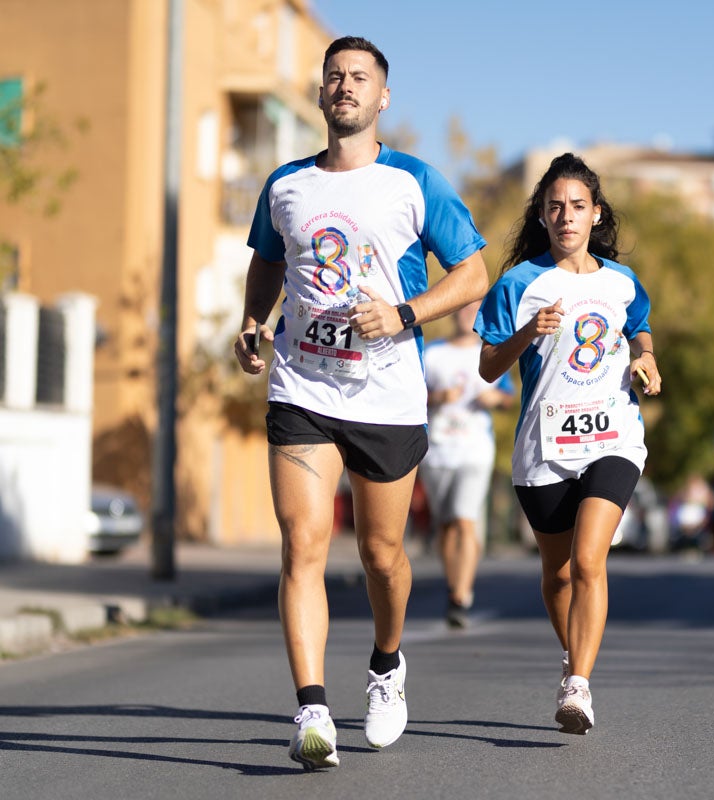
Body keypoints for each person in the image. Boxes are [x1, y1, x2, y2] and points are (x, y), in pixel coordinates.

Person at [233, 36, 489, 770]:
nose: (344, 86)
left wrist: (408, 313)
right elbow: (267, 264)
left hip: (387, 393)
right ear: (319, 95)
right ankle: (311, 708)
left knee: (382, 555)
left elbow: (471, 274)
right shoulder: (285, 185)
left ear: (382, 98)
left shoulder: (413, 181)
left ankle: (385, 665)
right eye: (334, 76)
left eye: (359, 78)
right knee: (303, 545)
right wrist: (254, 323)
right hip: (302, 389)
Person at [475, 152, 661, 736]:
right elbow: (487, 366)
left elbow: (639, 325)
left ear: (595, 213)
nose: (566, 216)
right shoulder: (519, 284)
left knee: (588, 561)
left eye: (577, 206)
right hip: (543, 446)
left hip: (613, 436)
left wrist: (646, 358)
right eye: (554, 206)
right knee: (557, 576)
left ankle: (577, 685)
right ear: (542, 216)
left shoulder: (620, 281)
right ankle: (573, 654)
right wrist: (530, 331)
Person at [419, 300, 515, 628]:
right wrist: (437, 398)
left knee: (465, 520)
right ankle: (452, 586)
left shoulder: (490, 353)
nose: (466, 316)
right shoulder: (431, 353)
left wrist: (495, 399)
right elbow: (410, 393)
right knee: (445, 525)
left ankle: (461, 595)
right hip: (436, 449)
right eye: (462, 309)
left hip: (475, 449)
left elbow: (509, 396)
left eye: (474, 311)